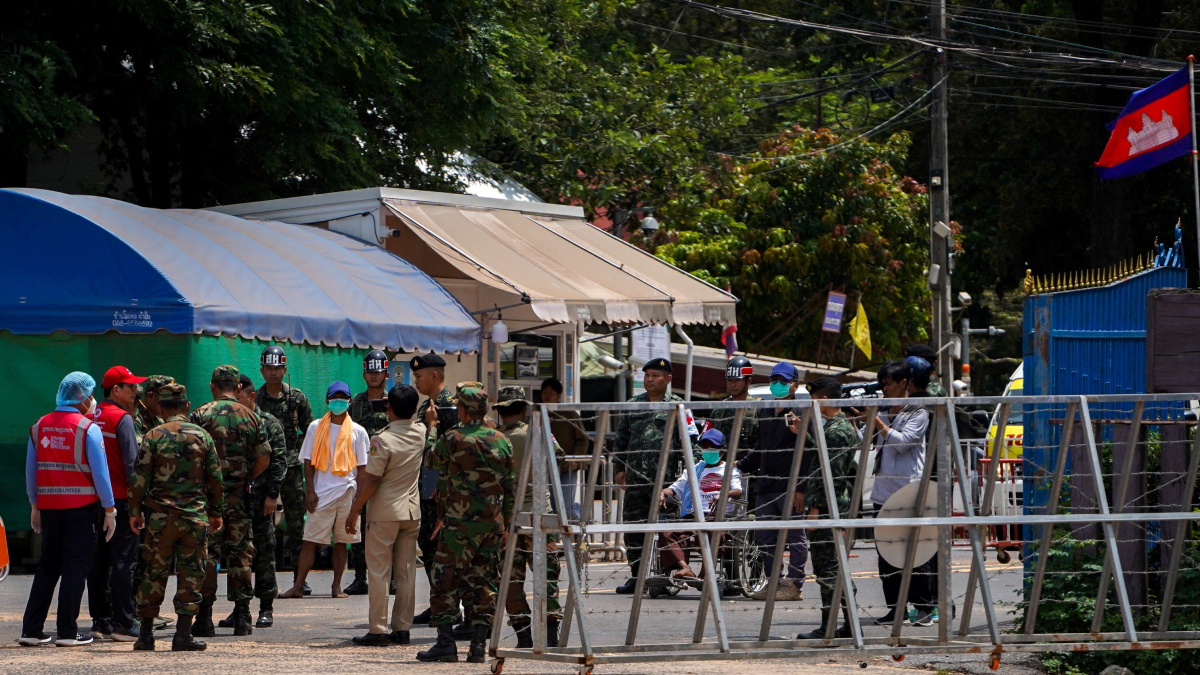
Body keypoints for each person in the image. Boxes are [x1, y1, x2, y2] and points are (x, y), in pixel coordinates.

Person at [416, 382, 514, 664]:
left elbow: (430, 460)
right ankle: (478, 646)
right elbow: (510, 487)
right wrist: (506, 525)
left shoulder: (453, 437)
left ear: (464, 410)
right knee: (485, 582)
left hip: (459, 526)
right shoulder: (502, 440)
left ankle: (446, 644)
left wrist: (432, 428)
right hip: (492, 525)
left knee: (443, 581)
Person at [21, 372, 117, 647]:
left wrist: (34, 504)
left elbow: (31, 470)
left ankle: (31, 630)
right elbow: (101, 474)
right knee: (76, 568)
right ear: (83, 398)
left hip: (49, 508)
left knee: (47, 567)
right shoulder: (88, 428)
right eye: (91, 394)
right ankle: (67, 632)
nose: (93, 400)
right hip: (81, 509)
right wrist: (109, 509)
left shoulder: (39, 426)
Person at [128, 383, 224, 652]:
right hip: (194, 519)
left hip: (160, 519)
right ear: (187, 406)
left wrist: (134, 511)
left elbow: (139, 477)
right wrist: (216, 513)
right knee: (192, 574)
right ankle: (183, 635)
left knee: (153, 573)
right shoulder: (203, 436)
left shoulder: (153, 435)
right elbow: (215, 479)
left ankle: (145, 635)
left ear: (160, 408)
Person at [190, 365, 272, 637]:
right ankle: (243, 616)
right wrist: (244, 477)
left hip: (207, 498)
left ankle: (204, 617)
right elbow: (264, 458)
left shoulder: (200, 415)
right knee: (240, 554)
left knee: (207, 555)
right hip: (239, 495)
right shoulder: (251, 416)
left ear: (212, 386)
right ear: (238, 388)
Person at [345, 383, 424, 646]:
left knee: (379, 572)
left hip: (384, 513)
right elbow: (428, 426)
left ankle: (378, 629)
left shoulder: (382, 440)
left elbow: (371, 480)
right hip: (411, 512)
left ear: (388, 408)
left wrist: (355, 510)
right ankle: (402, 628)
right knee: (406, 572)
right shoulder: (421, 432)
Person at [279, 381, 370, 599]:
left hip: (347, 491)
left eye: (343, 398)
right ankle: (298, 586)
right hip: (321, 494)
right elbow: (308, 462)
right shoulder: (315, 427)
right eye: (335, 398)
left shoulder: (358, 431)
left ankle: (336, 586)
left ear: (349, 401)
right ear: (327, 401)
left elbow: (362, 469)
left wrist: (358, 502)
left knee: (341, 543)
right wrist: (310, 491)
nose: (338, 401)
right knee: (309, 541)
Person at [214, 375, 287, 629]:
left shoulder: (269, 423)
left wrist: (272, 495)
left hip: (262, 498)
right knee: (238, 555)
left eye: (240, 398)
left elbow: (279, 462)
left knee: (265, 551)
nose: (234, 403)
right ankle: (239, 607)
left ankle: (266, 607)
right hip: (236, 501)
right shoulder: (231, 422)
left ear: (251, 396)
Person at [495, 386, 566, 649]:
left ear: (500, 411)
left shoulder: (496, 438)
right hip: (540, 516)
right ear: (524, 408)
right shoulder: (537, 432)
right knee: (547, 577)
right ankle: (550, 635)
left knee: (511, 580)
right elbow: (559, 457)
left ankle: (523, 636)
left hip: (509, 519)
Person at [737, 362, 811, 602]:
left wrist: (801, 488)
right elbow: (762, 447)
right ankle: (773, 581)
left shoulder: (801, 411)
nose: (777, 385)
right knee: (765, 537)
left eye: (783, 381)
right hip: (766, 485)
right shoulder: (766, 411)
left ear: (794, 385)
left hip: (789, 486)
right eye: (774, 380)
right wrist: (739, 465)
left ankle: (794, 583)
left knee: (794, 537)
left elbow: (808, 452)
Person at [612, 358, 686, 595]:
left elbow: (689, 440)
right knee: (634, 528)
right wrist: (619, 468)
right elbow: (621, 439)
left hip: (666, 481)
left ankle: (663, 576)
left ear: (668, 379)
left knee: (666, 530)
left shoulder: (678, 405)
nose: (650, 380)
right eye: (647, 375)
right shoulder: (633, 405)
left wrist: (691, 474)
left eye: (655, 375)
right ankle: (637, 575)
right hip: (636, 478)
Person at [796, 377, 861, 640]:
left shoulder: (836, 430)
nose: (811, 404)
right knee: (834, 567)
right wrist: (804, 435)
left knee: (828, 569)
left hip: (828, 508)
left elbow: (832, 474)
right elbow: (823, 458)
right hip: (830, 506)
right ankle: (849, 624)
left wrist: (817, 508)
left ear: (823, 399)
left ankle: (829, 626)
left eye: (813, 399)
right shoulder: (835, 427)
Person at [86, 365, 147, 643]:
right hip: (121, 500)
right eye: (131, 386)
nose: (136, 391)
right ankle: (124, 623)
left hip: (92, 501)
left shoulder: (88, 418)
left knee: (97, 561)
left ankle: (100, 622)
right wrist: (138, 504)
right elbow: (132, 463)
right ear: (116, 390)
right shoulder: (122, 419)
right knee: (124, 562)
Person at [868, 360, 930, 626]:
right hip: (882, 494)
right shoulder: (881, 410)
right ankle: (896, 609)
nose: (884, 389)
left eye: (888, 384)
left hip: (908, 492)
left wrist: (877, 421)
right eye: (882, 384)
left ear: (904, 383)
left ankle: (925, 608)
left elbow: (904, 443)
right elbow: (863, 440)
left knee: (914, 554)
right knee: (886, 556)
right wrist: (858, 419)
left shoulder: (918, 411)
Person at [255, 345, 315, 595]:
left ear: (284, 369)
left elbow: (310, 431)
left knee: (296, 526)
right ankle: (265, 580)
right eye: (268, 368)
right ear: (262, 370)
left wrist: (300, 455)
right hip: (264, 467)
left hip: (291, 468)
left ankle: (300, 580)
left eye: (277, 368)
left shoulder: (296, 398)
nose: (273, 372)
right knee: (262, 525)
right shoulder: (256, 398)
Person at [656, 428, 743, 584]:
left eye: (712, 447)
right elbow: (674, 489)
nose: (708, 450)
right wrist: (663, 493)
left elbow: (737, 491)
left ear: (723, 449)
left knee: (710, 531)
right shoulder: (694, 469)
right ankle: (685, 568)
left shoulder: (729, 469)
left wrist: (723, 494)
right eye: (705, 447)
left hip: (715, 517)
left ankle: (703, 576)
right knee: (666, 532)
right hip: (692, 516)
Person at [411, 353, 459, 625]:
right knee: (428, 547)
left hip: (441, 489)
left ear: (434, 375)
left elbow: (449, 452)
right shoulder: (425, 407)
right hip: (426, 487)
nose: (415, 381)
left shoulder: (449, 406)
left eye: (419, 377)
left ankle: (449, 606)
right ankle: (437, 602)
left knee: (441, 549)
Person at [346, 349, 392, 596]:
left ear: (386, 374)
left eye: (378, 371)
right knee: (359, 522)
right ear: (364, 374)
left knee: (387, 524)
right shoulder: (356, 403)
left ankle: (391, 578)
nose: (374, 376)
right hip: (362, 470)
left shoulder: (393, 401)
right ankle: (359, 577)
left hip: (387, 471)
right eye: (370, 372)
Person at [541, 377, 587, 522]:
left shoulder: (569, 414)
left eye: (551, 393)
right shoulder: (538, 414)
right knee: (552, 508)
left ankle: (581, 522)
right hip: (546, 468)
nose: (547, 396)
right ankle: (558, 535)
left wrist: (575, 459)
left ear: (559, 395)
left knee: (566, 508)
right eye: (545, 392)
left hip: (567, 467)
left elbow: (583, 439)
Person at [708, 356, 762, 454]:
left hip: (748, 463)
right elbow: (705, 439)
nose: (733, 385)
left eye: (737, 380)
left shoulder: (759, 408)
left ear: (748, 381)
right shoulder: (719, 409)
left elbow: (765, 444)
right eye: (730, 380)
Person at [134, 375, 175, 442]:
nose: (169, 404)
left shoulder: (159, 421)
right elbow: (139, 446)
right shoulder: (134, 417)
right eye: (165, 400)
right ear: (150, 396)